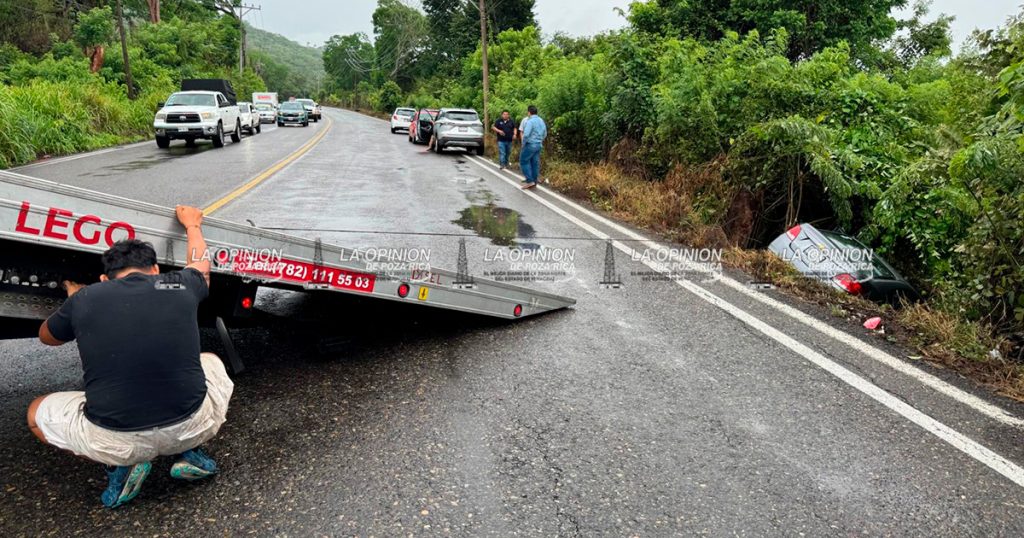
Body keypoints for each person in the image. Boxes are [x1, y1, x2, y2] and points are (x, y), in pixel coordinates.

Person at [28, 206, 234, 509]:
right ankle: (192, 452)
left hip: (116, 440)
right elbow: (200, 266)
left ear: (104, 277)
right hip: (191, 426)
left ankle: (122, 467)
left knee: (35, 413)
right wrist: (192, 225)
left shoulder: (87, 297)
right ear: (154, 271)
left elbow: (47, 337)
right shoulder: (173, 284)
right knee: (211, 361)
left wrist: (75, 302)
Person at [519, 105, 548, 189]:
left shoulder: (530, 121)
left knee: (523, 161)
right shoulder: (541, 120)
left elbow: (526, 134)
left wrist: (523, 144)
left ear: (529, 112)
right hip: (539, 144)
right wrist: (539, 140)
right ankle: (534, 181)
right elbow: (545, 133)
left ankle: (529, 181)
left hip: (530, 144)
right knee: (534, 163)